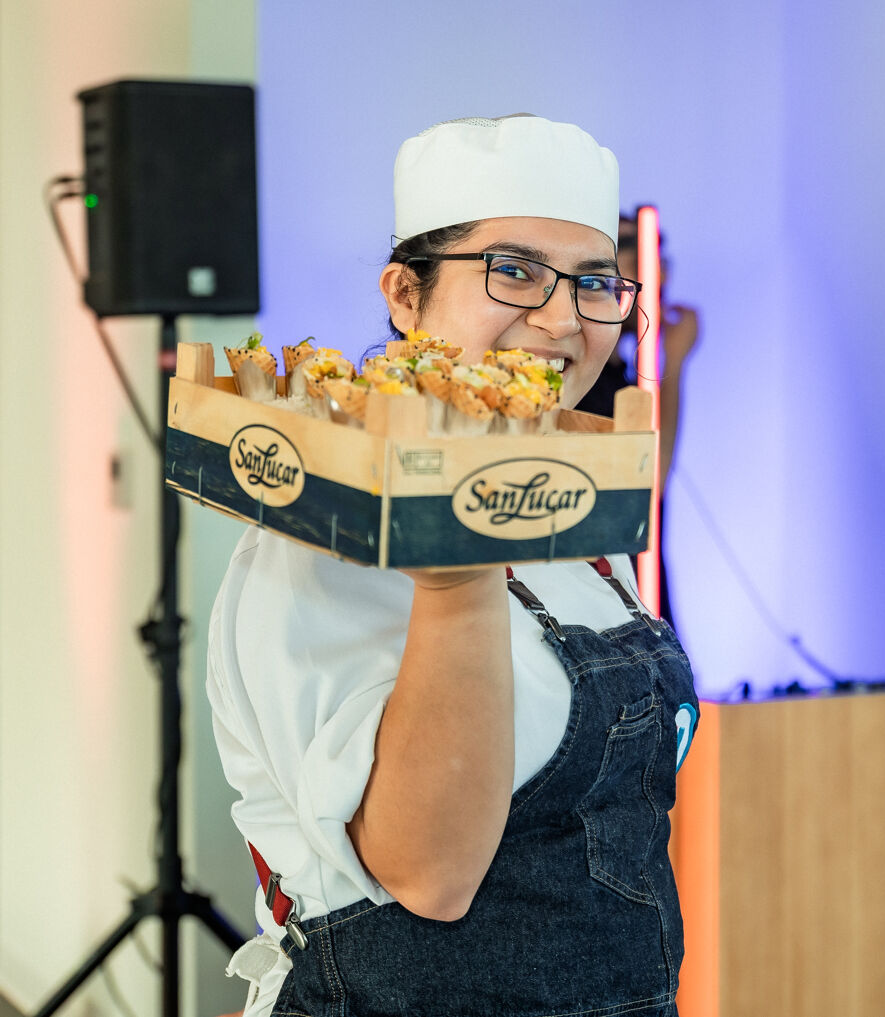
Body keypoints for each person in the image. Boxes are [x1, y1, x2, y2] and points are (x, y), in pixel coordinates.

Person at [208, 115, 700, 1017]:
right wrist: (458, 568)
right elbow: (431, 875)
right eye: (513, 271)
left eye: (595, 283)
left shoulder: (574, 511)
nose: (561, 319)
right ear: (403, 294)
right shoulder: (324, 539)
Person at [576, 212, 700, 624]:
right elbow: (651, 482)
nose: (659, 283)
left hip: (638, 595)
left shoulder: (619, 379)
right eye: (643, 266)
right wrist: (675, 364)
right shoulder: (583, 389)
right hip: (611, 609)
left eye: (662, 266)